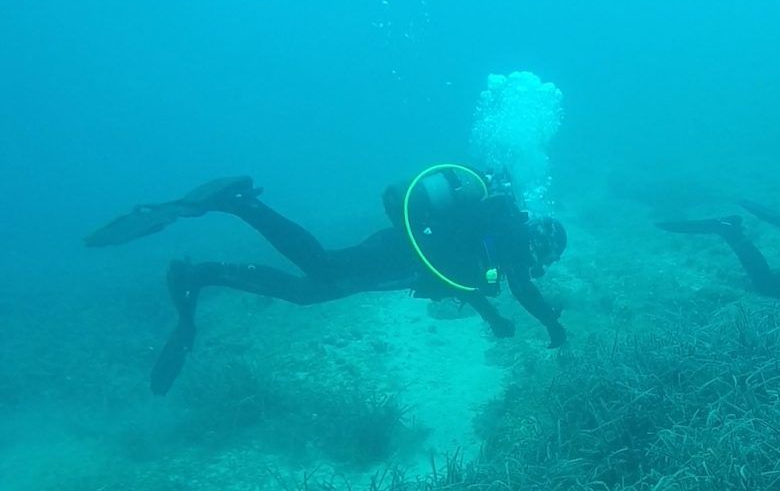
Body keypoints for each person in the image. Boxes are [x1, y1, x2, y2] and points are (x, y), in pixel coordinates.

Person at [85, 167, 568, 395]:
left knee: (307, 292)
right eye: (544, 254)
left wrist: (495, 319)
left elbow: (466, 277)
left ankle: (208, 273)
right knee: (322, 269)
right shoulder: (510, 238)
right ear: (540, 241)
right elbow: (516, 285)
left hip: (404, 254)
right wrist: (554, 329)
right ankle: (239, 203)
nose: (538, 262)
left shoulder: (501, 234)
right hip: (403, 256)